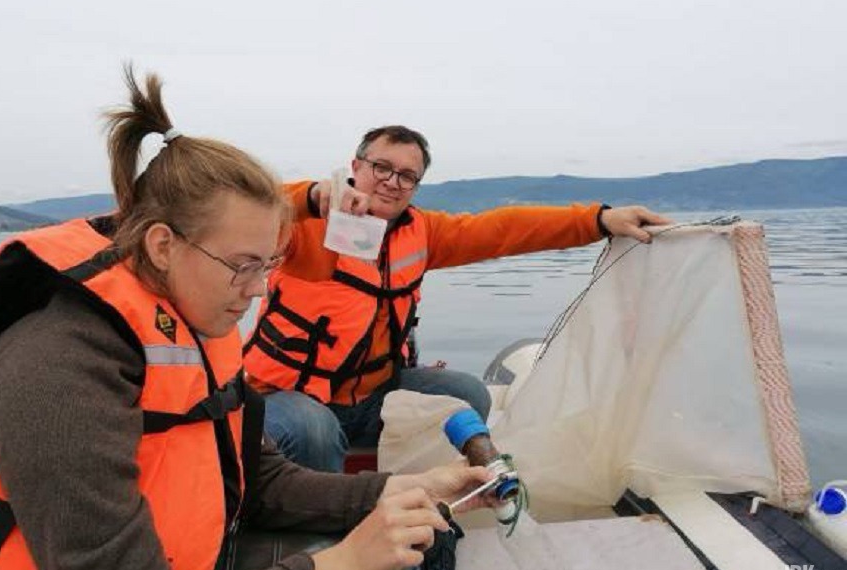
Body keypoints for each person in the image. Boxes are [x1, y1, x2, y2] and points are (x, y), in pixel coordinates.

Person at [0, 71, 495, 570]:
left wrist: (414, 486)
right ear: (162, 245)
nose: (261, 290)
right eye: (245, 265)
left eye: (269, 265)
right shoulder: (54, 371)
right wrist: (336, 569)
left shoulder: (196, 322)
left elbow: (256, 478)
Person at [243, 125, 671, 472]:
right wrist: (313, 196)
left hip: (372, 395)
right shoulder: (300, 226)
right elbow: (247, 205)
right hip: (289, 395)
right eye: (381, 167)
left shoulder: (425, 233)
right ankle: (317, 520)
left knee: (468, 395)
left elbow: (505, 229)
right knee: (312, 432)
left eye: (407, 176)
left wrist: (599, 219)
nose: (392, 182)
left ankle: (421, 495)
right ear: (356, 165)